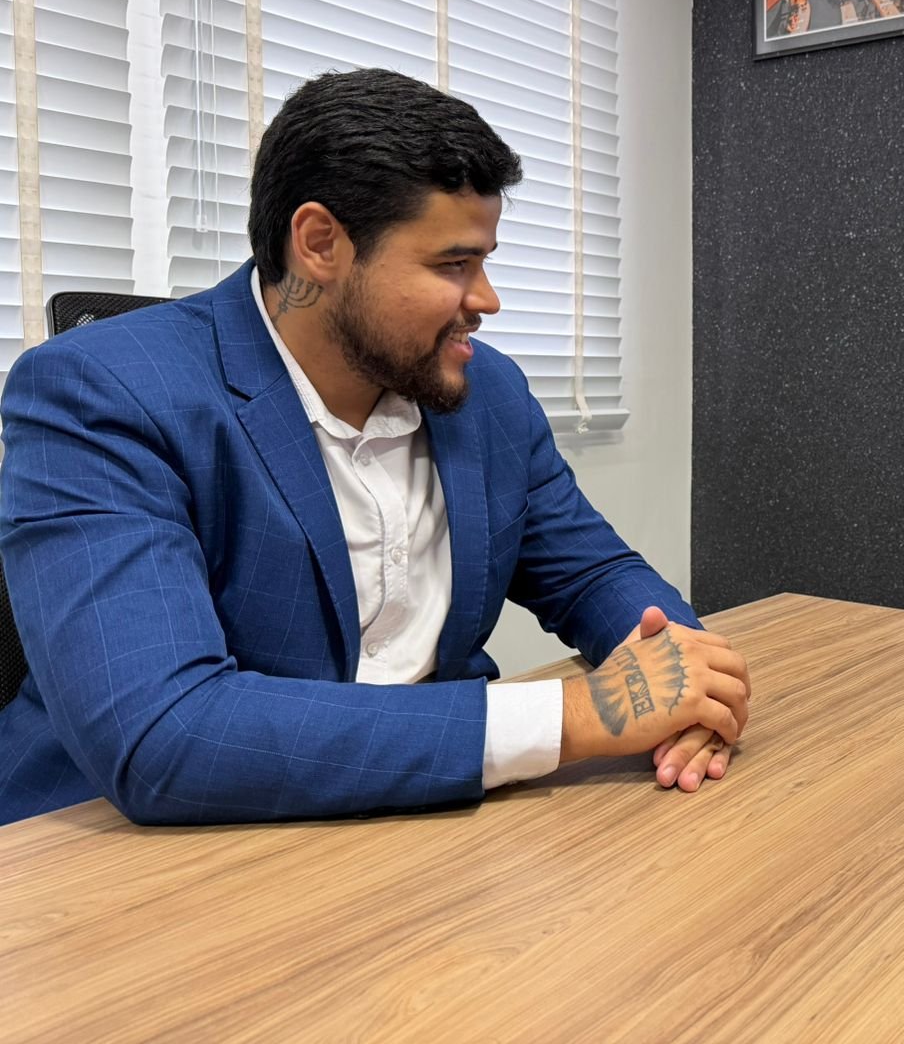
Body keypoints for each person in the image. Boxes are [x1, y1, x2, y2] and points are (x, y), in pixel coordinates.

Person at [0, 69, 749, 825]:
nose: (487, 300)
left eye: (484, 261)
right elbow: (167, 733)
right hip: (123, 853)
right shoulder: (99, 393)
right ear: (320, 244)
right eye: (453, 264)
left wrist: (687, 677)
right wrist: (583, 715)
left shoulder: (485, 392)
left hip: (421, 824)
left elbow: (592, 574)